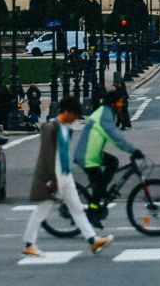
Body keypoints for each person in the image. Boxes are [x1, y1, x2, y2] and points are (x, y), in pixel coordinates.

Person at [22, 99, 111, 259]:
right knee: (42, 209)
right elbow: (48, 155)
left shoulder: (65, 128)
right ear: (67, 111)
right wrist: (52, 179)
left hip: (65, 174)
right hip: (54, 176)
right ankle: (29, 244)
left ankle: (92, 240)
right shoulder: (51, 127)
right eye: (75, 115)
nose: (75, 118)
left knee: (76, 208)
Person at [72, 90, 140, 208]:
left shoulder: (105, 112)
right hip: (87, 155)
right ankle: (94, 209)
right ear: (113, 103)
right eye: (120, 102)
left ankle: (101, 192)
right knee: (100, 184)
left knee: (112, 163)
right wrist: (132, 150)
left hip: (91, 153)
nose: (121, 104)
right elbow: (114, 135)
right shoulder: (105, 114)